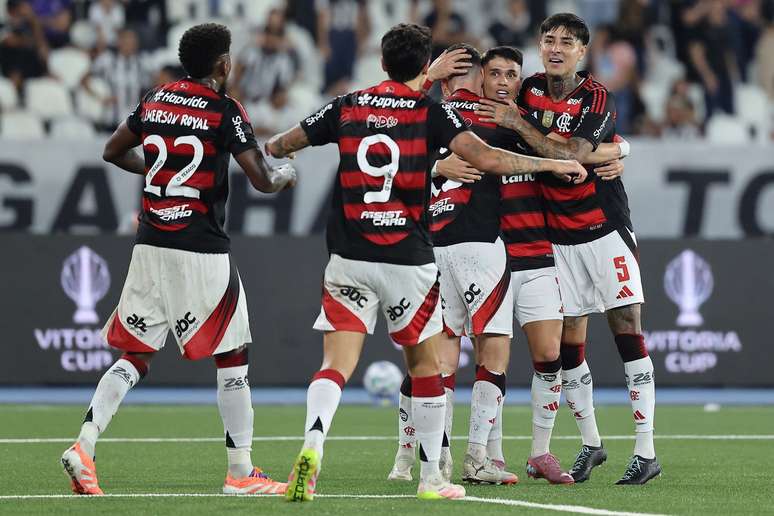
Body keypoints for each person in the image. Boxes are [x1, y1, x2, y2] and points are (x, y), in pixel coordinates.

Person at [265, 23, 586, 502]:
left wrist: (278, 165)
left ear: (381, 63)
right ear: (426, 67)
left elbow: (279, 145)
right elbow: (489, 159)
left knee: (335, 364)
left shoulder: (346, 105)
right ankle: (433, 476)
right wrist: (552, 163)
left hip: (349, 254)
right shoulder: (428, 111)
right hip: (409, 256)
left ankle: (314, 442)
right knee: (427, 365)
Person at [60, 23, 296, 497]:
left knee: (137, 354)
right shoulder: (224, 109)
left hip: (150, 242)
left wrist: (155, 168)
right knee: (233, 353)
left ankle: (85, 443)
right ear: (223, 64)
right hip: (201, 248)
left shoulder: (156, 98)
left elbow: (113, 150)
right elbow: (261, 179)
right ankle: (240, 471)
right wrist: (286, 175)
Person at [475, 13, 660, 485]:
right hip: (556, 238)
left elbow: (572, 153)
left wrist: (610, 149)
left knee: (627, 329)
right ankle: (591, 444)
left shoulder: (596, 96)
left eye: (567, 42)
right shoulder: (529, 89)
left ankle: (646, 451)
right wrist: (616, 150)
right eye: (549, 40)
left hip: (603, 228)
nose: (556, 48)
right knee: (569, 344)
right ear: (540, 46)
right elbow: (530, 138)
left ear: (582, 51)